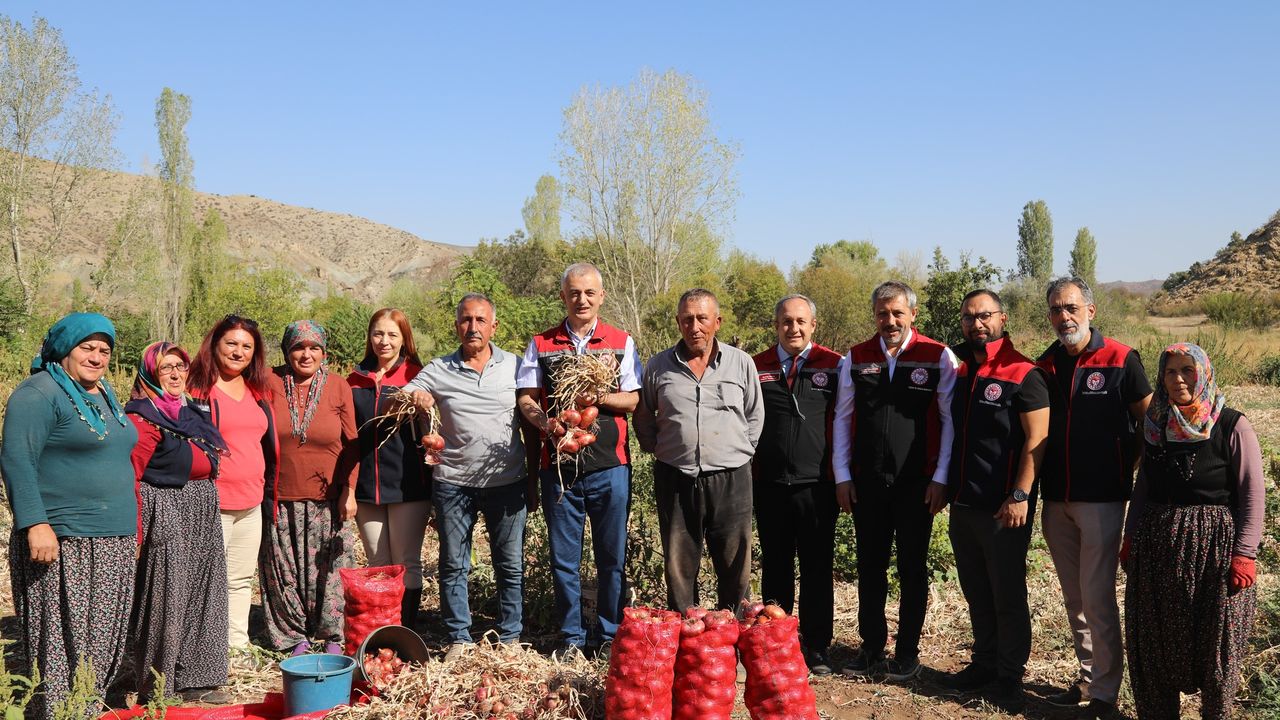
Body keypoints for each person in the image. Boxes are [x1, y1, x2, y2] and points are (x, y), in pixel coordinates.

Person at [0, 313, 138, 720]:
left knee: (101, 640)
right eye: (87, 347)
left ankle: (87, 709)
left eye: (104, 350)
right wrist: (34, 523)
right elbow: (16, 460)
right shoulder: (38, 394)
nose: (97, 357)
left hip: (111, 538)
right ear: (64, 348)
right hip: (64, 538)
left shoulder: (103, 393)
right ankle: (60, 714)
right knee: (63, 643)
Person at [1123, 343, 1264, 719]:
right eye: (1171, 371)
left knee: (1215, 645)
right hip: (1157, 549)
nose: (1179, 378)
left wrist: (1245, 554)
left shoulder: (1232, 424)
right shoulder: (1155, 424)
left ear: (1203, 373)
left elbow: (1252, 493)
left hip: (1215, 551)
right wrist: (1130, 535)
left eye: (1187, 370)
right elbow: (1144, 486)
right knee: (1154, 642)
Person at [1035, 277, 1151, 718]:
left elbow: (1149, 422)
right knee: (1073, 597)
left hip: (1102, 498)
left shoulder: (1121, 359)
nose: (1063, 316)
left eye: (1071, 307)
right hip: (1056, 499)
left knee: (1097, 596)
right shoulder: (1044, 364)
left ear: (1090, 310)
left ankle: (1106, 695)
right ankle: (1087, 677)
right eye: (1055, 309)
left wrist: (1128, 466)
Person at [515, 263, 643, 659]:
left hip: (610, 468)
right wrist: (545, 423)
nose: (582, 300)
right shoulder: (542, 343)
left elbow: (634, 399)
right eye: (574, 293)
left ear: (601, 296)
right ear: (563, 297)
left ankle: (608, 635)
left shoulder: (620, 341)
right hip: (559, 471)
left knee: (611, 559)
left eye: (589, 293)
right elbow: (526, 399)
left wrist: (597, 400)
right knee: (564, 562)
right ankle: (572, 637)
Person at [832, 281, 958, 682]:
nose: (890, 321)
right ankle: (870, 649)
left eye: (897, 313)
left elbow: (950, 420)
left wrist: (941, 478)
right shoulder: (855, 357)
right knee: (870, 568)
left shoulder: (938, 356)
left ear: (912, 314)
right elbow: (841, 418)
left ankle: (907, 653)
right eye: (883, 313)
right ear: (875, 315)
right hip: (867, 483)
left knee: (912, 568)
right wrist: (842, 475)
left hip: (917, 484)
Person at [939, 290, 1049, 712]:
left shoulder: (1024, 373)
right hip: (965, 504)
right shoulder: (963, 371)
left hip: (1005, 508)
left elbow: (1038, 440)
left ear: (1002, 318)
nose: (976, 324)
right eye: (968, 317)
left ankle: (1009, 676)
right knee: (976, 591)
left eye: (984, 316)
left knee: (1006, 594)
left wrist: (1021, 494)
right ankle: (983, 664)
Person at [407, 294, 529, 658]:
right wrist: (416, 396)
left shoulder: (515, 365)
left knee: (509, 564)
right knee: (453, 563)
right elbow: (404, 392)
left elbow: (533, 409)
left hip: (507, 482)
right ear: (456, 325)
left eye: (480, 320)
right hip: (454, 482)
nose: (472, 327)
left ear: (494, 326)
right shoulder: (440, 368)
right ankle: (459, 637)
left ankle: (510, 638)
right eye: (465, 320)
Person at [634, 289, 764, 613]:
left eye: (702, 318)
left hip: (731, 477)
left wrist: (740, 450)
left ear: (716, 322)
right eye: (687, 319)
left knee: (735, 566)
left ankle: (729, 645)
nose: (695, 326)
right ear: (678, 323)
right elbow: (644, 412)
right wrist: (656, 447)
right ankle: (685, 644)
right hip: (675, 476)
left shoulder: (740, 363)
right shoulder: (658, 366)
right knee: (679, 566)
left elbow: (755, 414)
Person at [125, 341, 231, 704]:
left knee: (203, 591)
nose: (174, 374)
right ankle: (159, 683)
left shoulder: (189, 411)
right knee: (167, 595)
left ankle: (199, 676)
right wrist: (136, 533)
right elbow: (132, 476)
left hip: (201, 505)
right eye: (165, 368)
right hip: (166, 507)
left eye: (180, 367)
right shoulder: (142, 416)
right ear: (150, 373)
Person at [750, 294, 843, 675]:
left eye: (801, 321)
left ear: (813, 325)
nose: (794, 328)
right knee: (775, 565)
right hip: (769, 484)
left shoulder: (835, 365)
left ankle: (818, 646)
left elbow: (846, 420)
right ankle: (776, 642)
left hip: (817, 485)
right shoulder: (756, 366)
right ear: (776, 325)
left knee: (818, 567)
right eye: (786, 321)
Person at [261, 320, 358, 655]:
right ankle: (294, 637)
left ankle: (333, 636)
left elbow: (352, 445)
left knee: (330, 572)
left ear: (323, 352)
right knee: (283, 570)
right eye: (298, 347)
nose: (306, 354)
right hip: (281, 496)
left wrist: (349, 491)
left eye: (313, 347)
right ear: (287, 352)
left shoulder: (337, 386)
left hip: (327, 500)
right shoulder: (269, 381)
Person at [187, 314, 278, 649]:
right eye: (232, 343)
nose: (239, 352)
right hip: (213, 501)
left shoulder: (258, 390)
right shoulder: (197, 388)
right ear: (216, 344)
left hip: (251, 501)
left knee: (240, 580)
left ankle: (235, 646)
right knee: (206, 579)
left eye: (247, 346)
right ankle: (203, 649)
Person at [348, 308, 431, 628]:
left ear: (404, 340)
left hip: (408, 485)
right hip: (367, 486)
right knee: (378, 563)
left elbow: (432, 430)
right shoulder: (354, 380)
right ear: (370, 337)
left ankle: (405, 633)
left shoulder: (417, 376)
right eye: (378, 334)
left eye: (392, 335)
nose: (384, 341)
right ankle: (382, 631)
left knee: (406, 563)